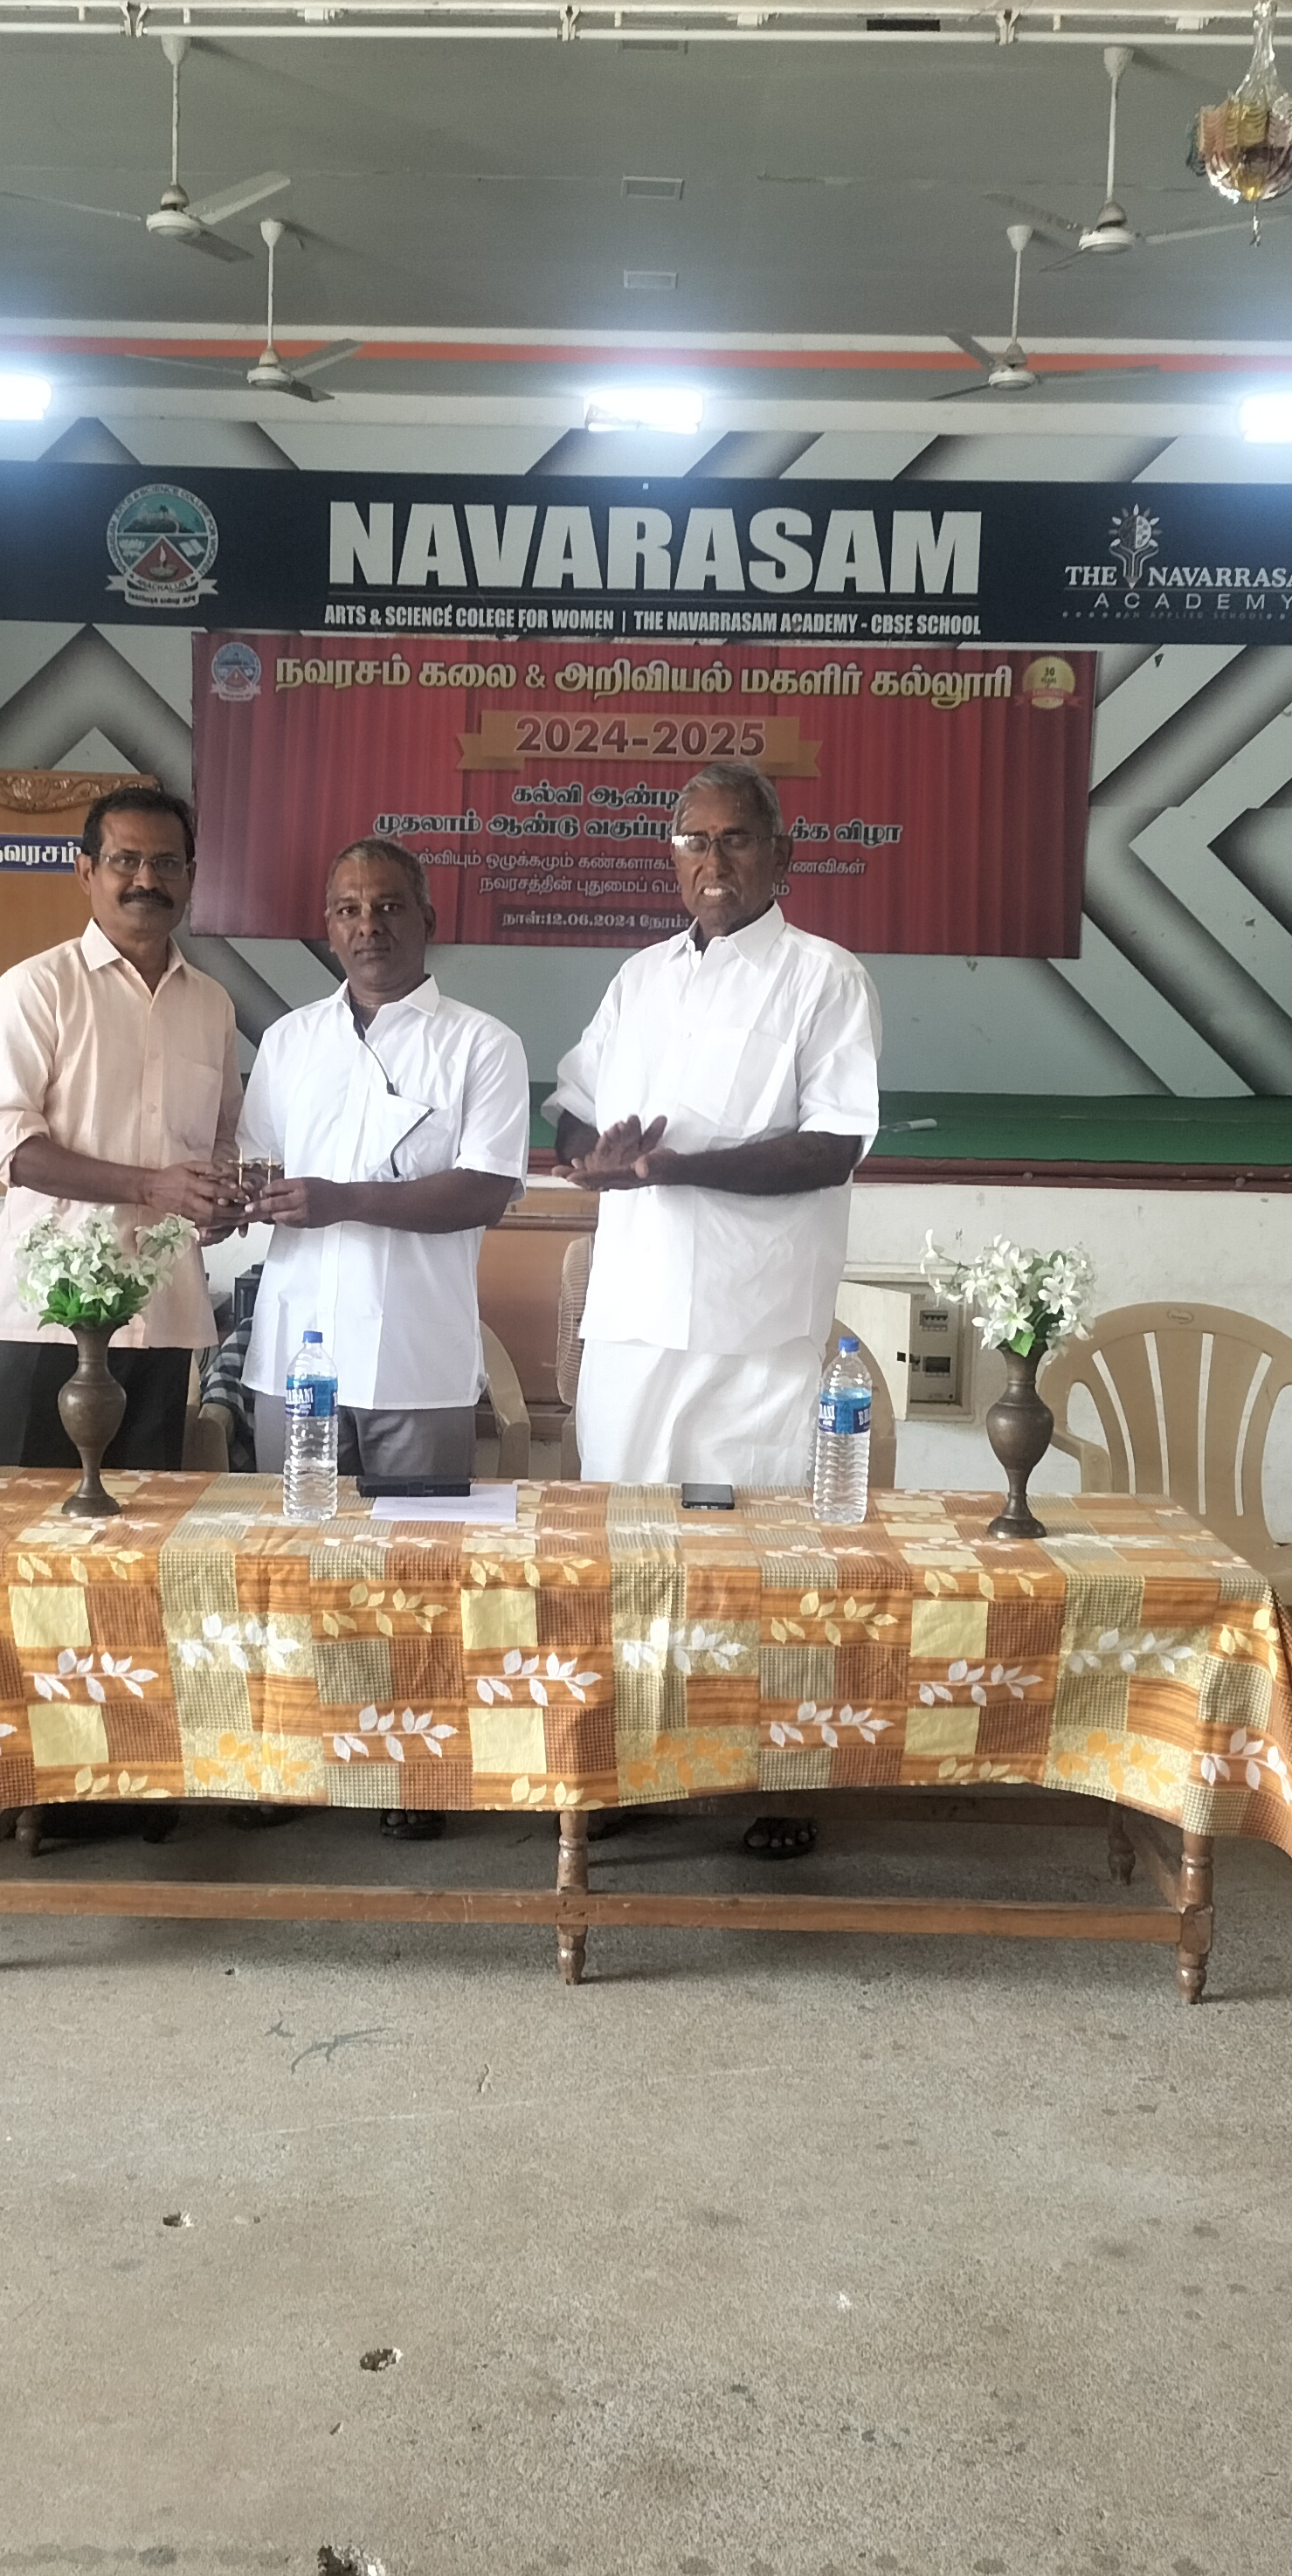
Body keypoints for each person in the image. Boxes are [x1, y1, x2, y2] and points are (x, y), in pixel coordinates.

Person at [553, 762, 881, 1860]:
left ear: (780, 855)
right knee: (625, 1554)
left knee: (766, 1560)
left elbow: (831, 1146)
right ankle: (627, 1765)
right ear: (673, 859)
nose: (714, 861)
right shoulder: (639, 978)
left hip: (758, 1322)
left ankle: (779, 1773)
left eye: (736, 839)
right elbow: (572, 1106)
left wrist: (677, 1166)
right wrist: (591, 1156)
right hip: (634, 1315)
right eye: (694, 841)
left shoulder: (823, 977)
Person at [0, 788, 244, 1471]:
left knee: (144, 1523)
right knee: (20, 1517)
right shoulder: (37, 988)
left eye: (167, 863)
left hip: (164, 1312)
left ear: (191, 876)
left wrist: (219, 1201)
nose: (148, 880)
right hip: (52, 1317)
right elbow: (6, 1144)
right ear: (86, 870)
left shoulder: (211, 1005)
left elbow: (220, 1141)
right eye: (126, 860)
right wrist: (152, 1186)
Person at [240, 838, 529, 1486]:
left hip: (415, 1364)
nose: (368, 925)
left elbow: (485, 1193)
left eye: (388, 906)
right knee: (295, 1541)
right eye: (348, 910)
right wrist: (228, 1205)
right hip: (296, 1359)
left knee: (419, 1546)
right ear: (330, 928)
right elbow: (259, 1166)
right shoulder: (289, 1040)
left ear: (427, 920)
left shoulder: (482, 1044)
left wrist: (342, 1200)